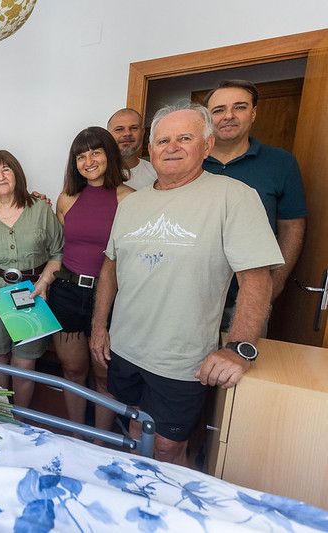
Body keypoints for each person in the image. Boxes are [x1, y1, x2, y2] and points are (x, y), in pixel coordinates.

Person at [89, 102, 283, 465]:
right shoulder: (132, 204)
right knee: (134, 430)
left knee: (166, 446)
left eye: (184, 138)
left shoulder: (233, 197)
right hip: (127, 346)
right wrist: (100, 327)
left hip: (181, 358)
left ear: (206, 145)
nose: (171, 147)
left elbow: (256, 278)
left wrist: (239, 347)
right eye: (162, 140)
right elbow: (111, 268)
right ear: (150, 149)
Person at [202, 80, 307, 329]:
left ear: (253, 113)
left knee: (239, 364)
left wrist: (274, 283)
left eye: (239, 107)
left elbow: (292, 227)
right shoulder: (190, 162)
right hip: (192, 295)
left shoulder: (280, 163)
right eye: (218, 110)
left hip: (248, 297)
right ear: (207, 119)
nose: (228, 116)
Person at [47, 127, 133, 430]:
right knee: (73, 370)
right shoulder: (67, 199)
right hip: (67, 292)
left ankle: (101, 438)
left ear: (109, 154)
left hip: (110, 299)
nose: (89, 161)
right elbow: (58, 249)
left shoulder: (130, 199)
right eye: (81, 156)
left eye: (96, 152)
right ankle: (77, 434)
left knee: (103, 372)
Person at [0, 150, 62, 408]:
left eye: (6, 169)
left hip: (32, 294)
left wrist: (45, 280)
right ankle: (3, 418)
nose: (0, 176)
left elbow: (58, 252)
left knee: (25, 362)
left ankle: (21, 420)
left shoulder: (41, 209)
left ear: (17, 174)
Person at [107, 108, 157, 189]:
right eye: (119, 129)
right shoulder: (95, 173)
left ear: (142, 132)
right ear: (108, 135)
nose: (127, 133)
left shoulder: (156, 174)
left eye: (134, 128)